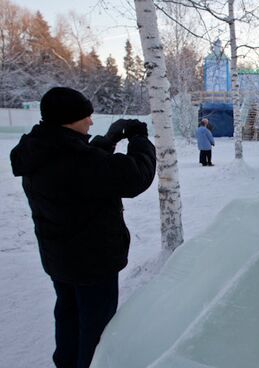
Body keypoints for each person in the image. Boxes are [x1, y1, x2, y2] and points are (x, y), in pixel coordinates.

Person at [10, 86, 156, 368]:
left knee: (68, 318)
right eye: (85, 116)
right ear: (68, 119)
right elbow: (134, 176)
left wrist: (106, 141)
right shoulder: (76, 160)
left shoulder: (38, 150)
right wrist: (139, 140)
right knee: (96, 332)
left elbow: (79, 172)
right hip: (92, 262)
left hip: (60, 259)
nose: (91, 121)